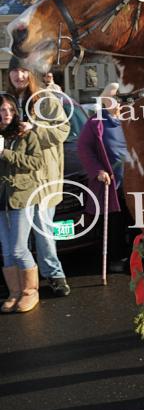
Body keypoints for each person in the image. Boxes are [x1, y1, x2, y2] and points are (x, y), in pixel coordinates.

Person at [7, 57, 71, 297]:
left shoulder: (45, 99)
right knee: (16, 234)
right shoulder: (6, 100)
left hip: (42, 175)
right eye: (15, 71)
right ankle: (22, 282)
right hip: (15, 177)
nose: (19, 76)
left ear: (31, 73)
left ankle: (55, 276)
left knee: (43, 230)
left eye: (24, 71)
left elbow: (63, 130)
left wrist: (35, 129)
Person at [77, 83, 131, 273]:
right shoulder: (95, 122)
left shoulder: (132, 118)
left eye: (118, 97)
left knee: (136, 222)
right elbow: (84, 149)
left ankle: (136, 259)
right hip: (112, 182)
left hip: (134, 182)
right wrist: (97, 170)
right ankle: (116, 258)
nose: (116, 100)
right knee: (114, 224)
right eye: (111, 96)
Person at [0, 94, 44, 312]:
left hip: (22, 195)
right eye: (1, 110)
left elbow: (36, 162)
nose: (6, 114)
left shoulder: (26, 134)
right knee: (7, 251)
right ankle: (14, 292)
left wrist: (5, 154)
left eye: (9, 110)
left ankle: (30, 292)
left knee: (19, 249)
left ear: (15, 111)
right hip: (1, 199)